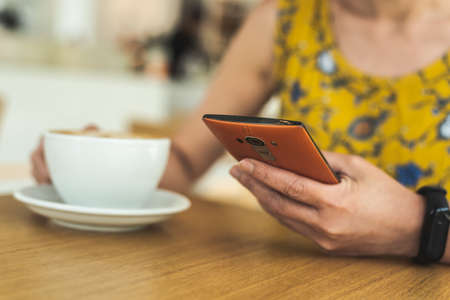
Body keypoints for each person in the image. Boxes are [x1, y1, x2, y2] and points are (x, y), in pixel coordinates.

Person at [31, 0, 450, 263]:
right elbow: (185, 160)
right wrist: (98, 160)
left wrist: (418, 227)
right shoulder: (283, 20)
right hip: (300, 277)